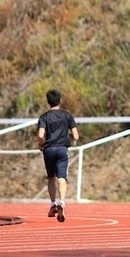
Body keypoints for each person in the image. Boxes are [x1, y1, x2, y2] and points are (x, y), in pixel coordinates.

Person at [37, 89, 78, 222]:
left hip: (48, 149)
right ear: (60, 100)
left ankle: (53, 203)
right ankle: (62, 202)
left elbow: (40, 135)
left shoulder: (44, 117)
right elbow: (76, 136)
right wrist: (67, 136)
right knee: (62, 178)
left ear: (48, 101)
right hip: (62, 149)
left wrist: (41, 144)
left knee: (51, 178)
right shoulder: (67, 116)